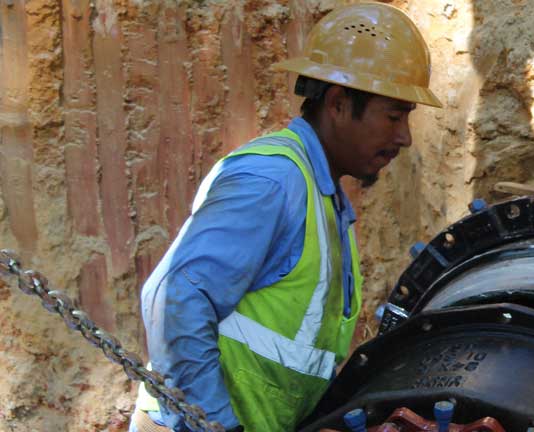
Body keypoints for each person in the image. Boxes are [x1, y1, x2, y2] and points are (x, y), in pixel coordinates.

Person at [128, 4, 442, 431]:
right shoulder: (272, 181)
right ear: (337, 102)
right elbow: (174, 299)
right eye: (393, 115)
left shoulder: (325, 201)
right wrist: (220, 425)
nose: (404, 137)